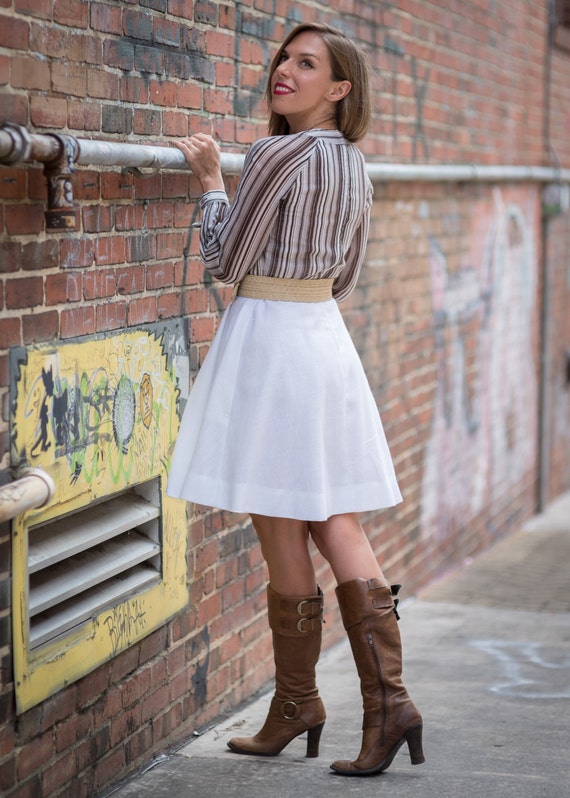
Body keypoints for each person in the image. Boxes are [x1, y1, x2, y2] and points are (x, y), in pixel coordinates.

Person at [167, 22, 424, 777]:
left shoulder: (280, 153)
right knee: (308, 513)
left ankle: (316, 701)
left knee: (295, 517)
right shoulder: (355, 165)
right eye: (285, 57)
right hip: (321, 333)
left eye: (307, 63)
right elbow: (345, 273)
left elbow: (223, 260)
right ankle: (355, 704)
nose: (285, 70)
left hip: (272, 340)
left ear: (339, 89)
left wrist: (214, 183)